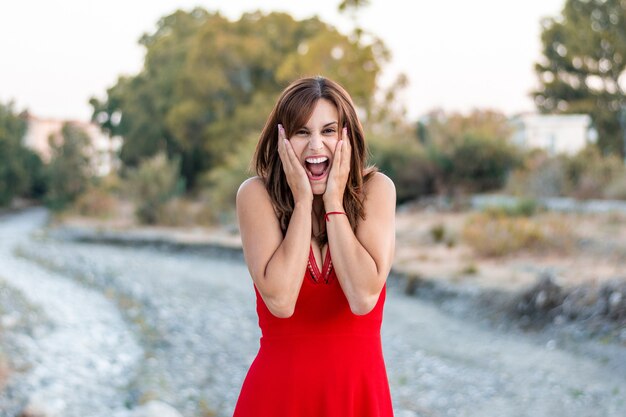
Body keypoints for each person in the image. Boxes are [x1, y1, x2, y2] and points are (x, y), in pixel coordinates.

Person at [233, 76, 396, 417]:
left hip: (358, 399)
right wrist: (303, 202)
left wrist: (334, 200)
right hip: (276, 399)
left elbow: (363, 296)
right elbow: (280, 301)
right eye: (302, 132)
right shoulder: (256, 196)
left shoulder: (377, 190)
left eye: (328, 131)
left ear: (347, 136)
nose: (316, 146)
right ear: (282, 139)